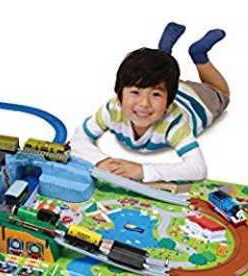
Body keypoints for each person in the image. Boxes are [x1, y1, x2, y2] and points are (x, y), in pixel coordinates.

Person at [71, 22, 230, 183]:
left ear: (168, 104)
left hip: (199, 100)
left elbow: (198, 169)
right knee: (157, 79)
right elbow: (78, 138)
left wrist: (143, 170)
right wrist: (100, 161)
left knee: (222, 93)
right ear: (119, 97)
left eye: (154, 95)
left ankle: (199, 55)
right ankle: (162, 58)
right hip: (168, 88)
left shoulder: (174, 123)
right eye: (135, 92)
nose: (144, 104)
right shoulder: (112, 110)